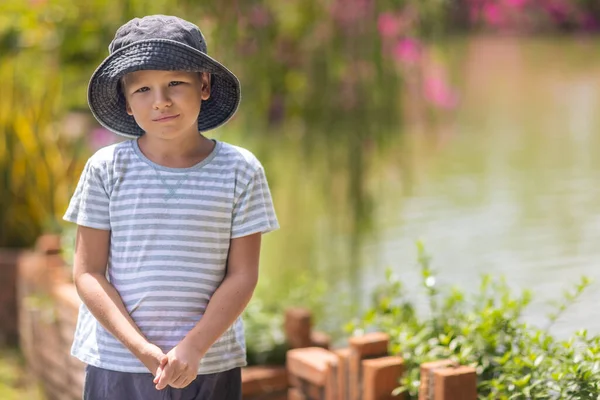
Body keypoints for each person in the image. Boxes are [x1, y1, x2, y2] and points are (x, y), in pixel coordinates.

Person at [63, 14, 279, 400]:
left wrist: (194, 347)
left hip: (210, 363)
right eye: (142, 89)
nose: (160, 101)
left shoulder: (240, 170)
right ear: (126, 104)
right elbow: (88, 273)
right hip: (119, 362)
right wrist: (142, 350)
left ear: (204, 84)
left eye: (175, 83)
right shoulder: (106, 169)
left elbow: (243, 275)